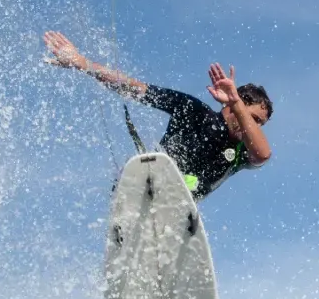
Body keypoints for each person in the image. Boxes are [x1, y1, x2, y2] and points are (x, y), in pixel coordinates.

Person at [42, 30, 272, 200]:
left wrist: (238, 105)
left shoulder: (244, 151)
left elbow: (262, 155)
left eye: (260, 123)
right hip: (147, 186)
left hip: (180, 210)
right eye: (253, 118)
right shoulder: (193, 110)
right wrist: (83, 63)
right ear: (233, 104)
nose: (254, 127)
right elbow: (136, 89)